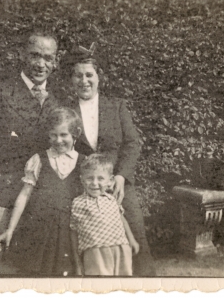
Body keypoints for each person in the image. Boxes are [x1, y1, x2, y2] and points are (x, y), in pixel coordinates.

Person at [0, 31, 59, 274]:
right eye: (35, 56)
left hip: (42, 195)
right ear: (22, 55)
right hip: (2, 192)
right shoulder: (1, 92)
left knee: (35, 266)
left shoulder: (58, 100)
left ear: (55, 62)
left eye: (48, 58)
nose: (41, 64)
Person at [63, 43, 156, 276]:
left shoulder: (116, 106)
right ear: (71, 80)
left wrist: (122, 176)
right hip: (84, 187)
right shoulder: (66, 110)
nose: (84, 81)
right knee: (90, 242)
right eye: (78, 75)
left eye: (89, 75)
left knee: (135, 232)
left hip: (117, 185)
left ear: (98, 77)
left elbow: (133, 143)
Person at [0, 107, 85, 276]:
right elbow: (24, 195)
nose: (58, 140)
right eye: (53, 135)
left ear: (76, 134)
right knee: (36, 274)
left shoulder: (85, 163)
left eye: (64, 135)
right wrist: (10, 229)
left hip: (71, 233)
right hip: (39, 231)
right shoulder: (39, 159)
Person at [70, 154, 139, 276]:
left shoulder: (112, 200)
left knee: (123, 282)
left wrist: (131, 240)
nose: (94, 183)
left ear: (110, 181)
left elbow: (122, 220)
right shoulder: (77, 203)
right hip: (94, 250)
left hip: (120, 247)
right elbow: (74, 231)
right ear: (82, 180)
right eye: (89, 178)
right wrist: (77, 260)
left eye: (100, 178)